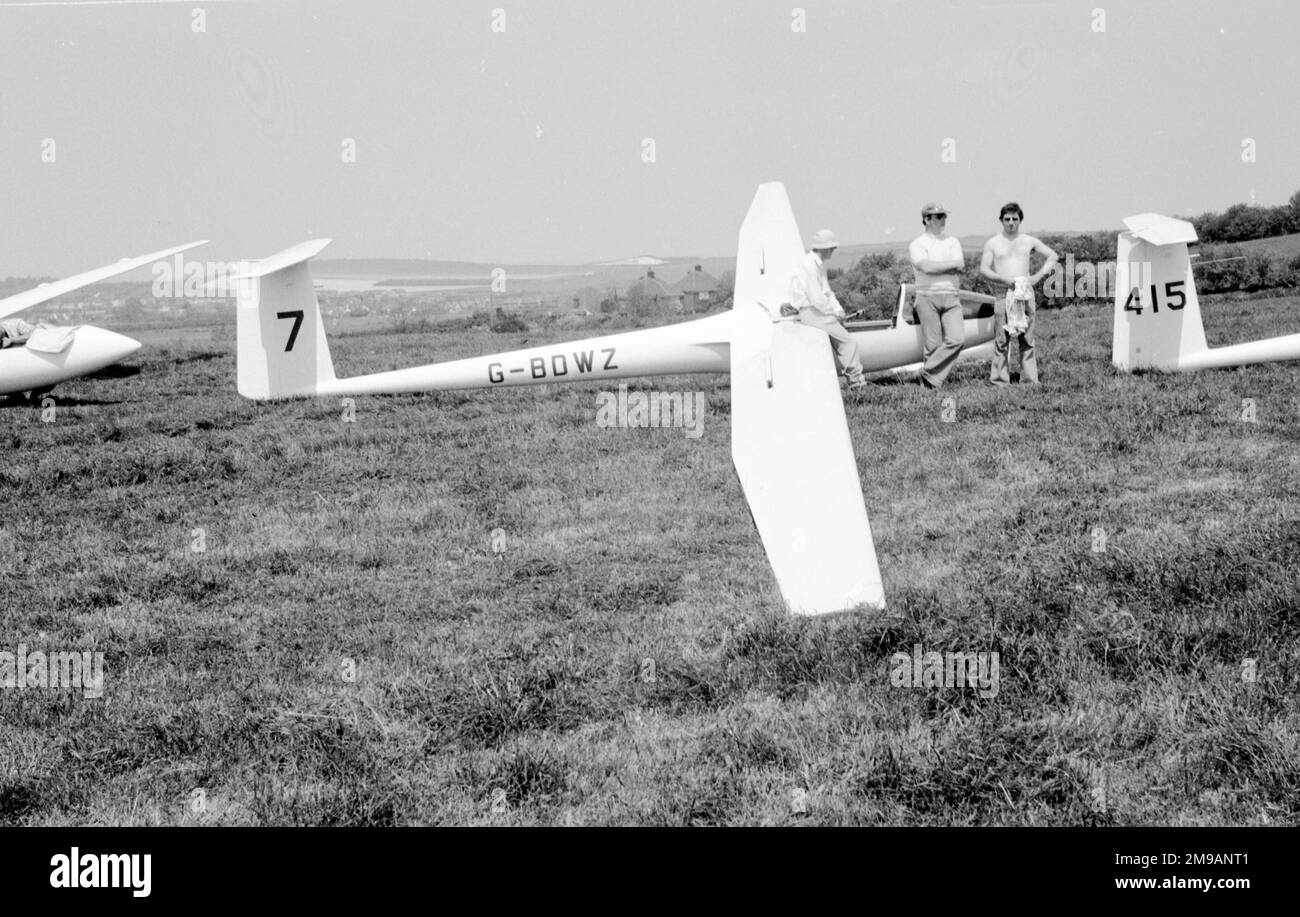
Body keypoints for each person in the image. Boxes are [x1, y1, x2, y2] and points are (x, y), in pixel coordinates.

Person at [979, 202, 1059, 385]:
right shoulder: (993, 243)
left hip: (1025, 293)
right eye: (1007, 219)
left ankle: (1030, 380)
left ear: (1020, 220)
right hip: (1003, 293)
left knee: (1027, 338)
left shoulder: (1028, 240)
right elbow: (984, 269)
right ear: (1001, 220)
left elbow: (1053, 256)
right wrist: (1004, 280)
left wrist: (1037, 277)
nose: (1011, 223)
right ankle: (999, 380)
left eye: (1015, 219)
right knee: (1001, 339)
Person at [785, 229, 867, 393]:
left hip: (817, 311)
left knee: (842, 341)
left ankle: (854, 381)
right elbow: (817, 297)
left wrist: (838, 309)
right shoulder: (809, 265)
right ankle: (856, 383)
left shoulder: (817, 264)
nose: (833, 250)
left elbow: (827, 291)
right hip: (812, 312)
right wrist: (834, 314)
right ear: (823, 248)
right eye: (831, 247)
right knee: (848, 342)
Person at [907, 203, 966, 388]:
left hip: (951, 296)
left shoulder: (952, 242)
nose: (943, 220)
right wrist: (950, 265)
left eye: (944, 216)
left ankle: (926, 373)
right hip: (926, 297)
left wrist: (936, 267)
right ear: (926, 219)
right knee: (932, 345)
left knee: (957, 339)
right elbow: (925, 267)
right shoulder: (917, 244)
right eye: (938, 216)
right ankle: (931, 386)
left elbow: (961, 265)